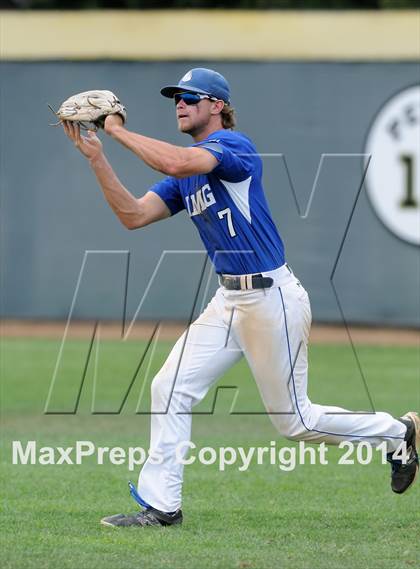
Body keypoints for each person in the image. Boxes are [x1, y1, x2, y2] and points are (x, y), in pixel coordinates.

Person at [62, 68, 419, 528]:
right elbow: (133, 215)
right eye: (176, 97)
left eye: (191, 97)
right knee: (169, 388)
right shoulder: (186, 171)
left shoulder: (234, 148)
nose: (180, 103)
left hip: (272, 298)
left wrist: (117, 131)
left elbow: (175, 163)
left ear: (218, 107)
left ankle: (400, 432)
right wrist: (97, 158)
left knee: (296, 424)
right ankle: (161, 506)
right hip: (228, 300)